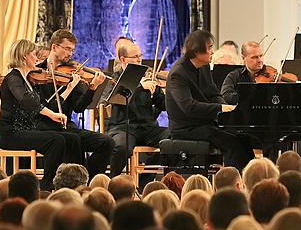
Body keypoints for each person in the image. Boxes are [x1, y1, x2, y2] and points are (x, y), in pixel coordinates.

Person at [165, 30, 254, 169]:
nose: (213, 51)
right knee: (233, 142)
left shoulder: (204, 66)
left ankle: (246, 180)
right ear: (196, 51)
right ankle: (231, 184)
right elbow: (188, 107)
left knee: (244, 137)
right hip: (186, 128)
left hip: (204, 122)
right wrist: (220, 109)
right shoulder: (178, 73)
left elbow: (213, 93)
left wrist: (226, 110)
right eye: (210, 47)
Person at [36, 29, 113, 178]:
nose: (70, 54)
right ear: (54, 47)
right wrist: (68, 89)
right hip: (44, 127)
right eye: (67, 49)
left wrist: (92, 88)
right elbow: (42, 107)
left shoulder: (72, 73)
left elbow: (78, 108)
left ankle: (89, 179)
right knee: (74, 139)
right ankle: (75, 182)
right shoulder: (38, 73)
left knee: (107, 142)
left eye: (72, 50)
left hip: (67, 126)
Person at [0, 39, 68, 189]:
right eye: (34, 54)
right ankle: (46, 185)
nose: (37, 58)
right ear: (24, 56)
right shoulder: (13, 78)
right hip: (11, 133)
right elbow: (26, 100)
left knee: (66, 137)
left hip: (26, 130)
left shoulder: (27, 79)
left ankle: (60, 182)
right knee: (56, 141)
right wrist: (52, 115)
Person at [105, 38, 169, 177]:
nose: (140, 60)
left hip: (147, 128)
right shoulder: (115, 78)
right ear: (123, 60)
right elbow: (117, 99)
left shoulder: (147, 78)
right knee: (120, 147)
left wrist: (166, 92)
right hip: (123, 126)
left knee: (172, 139)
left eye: (140, 56)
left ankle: (145, 181)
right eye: (135, 57)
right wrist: (140, 88)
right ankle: (113, 181)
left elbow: (163, 105)